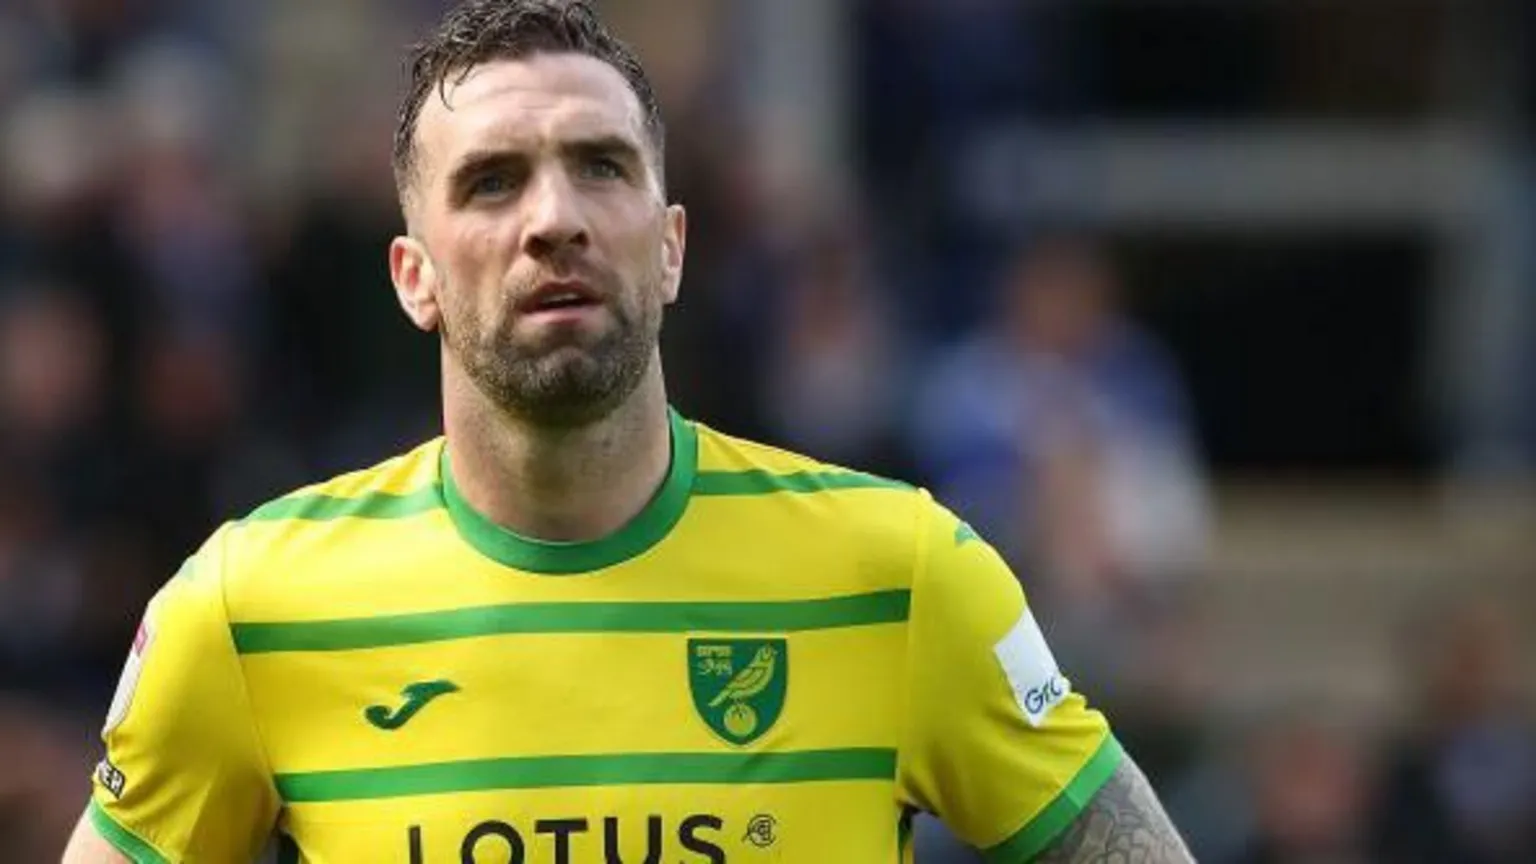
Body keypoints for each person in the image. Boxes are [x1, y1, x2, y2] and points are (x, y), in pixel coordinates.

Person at [62, 2, 1192, 861]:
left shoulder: (903, 576)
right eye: (493, 183)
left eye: (601, 167)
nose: (554, 220)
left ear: (671, 246)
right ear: (413, 277)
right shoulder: (247, 611)